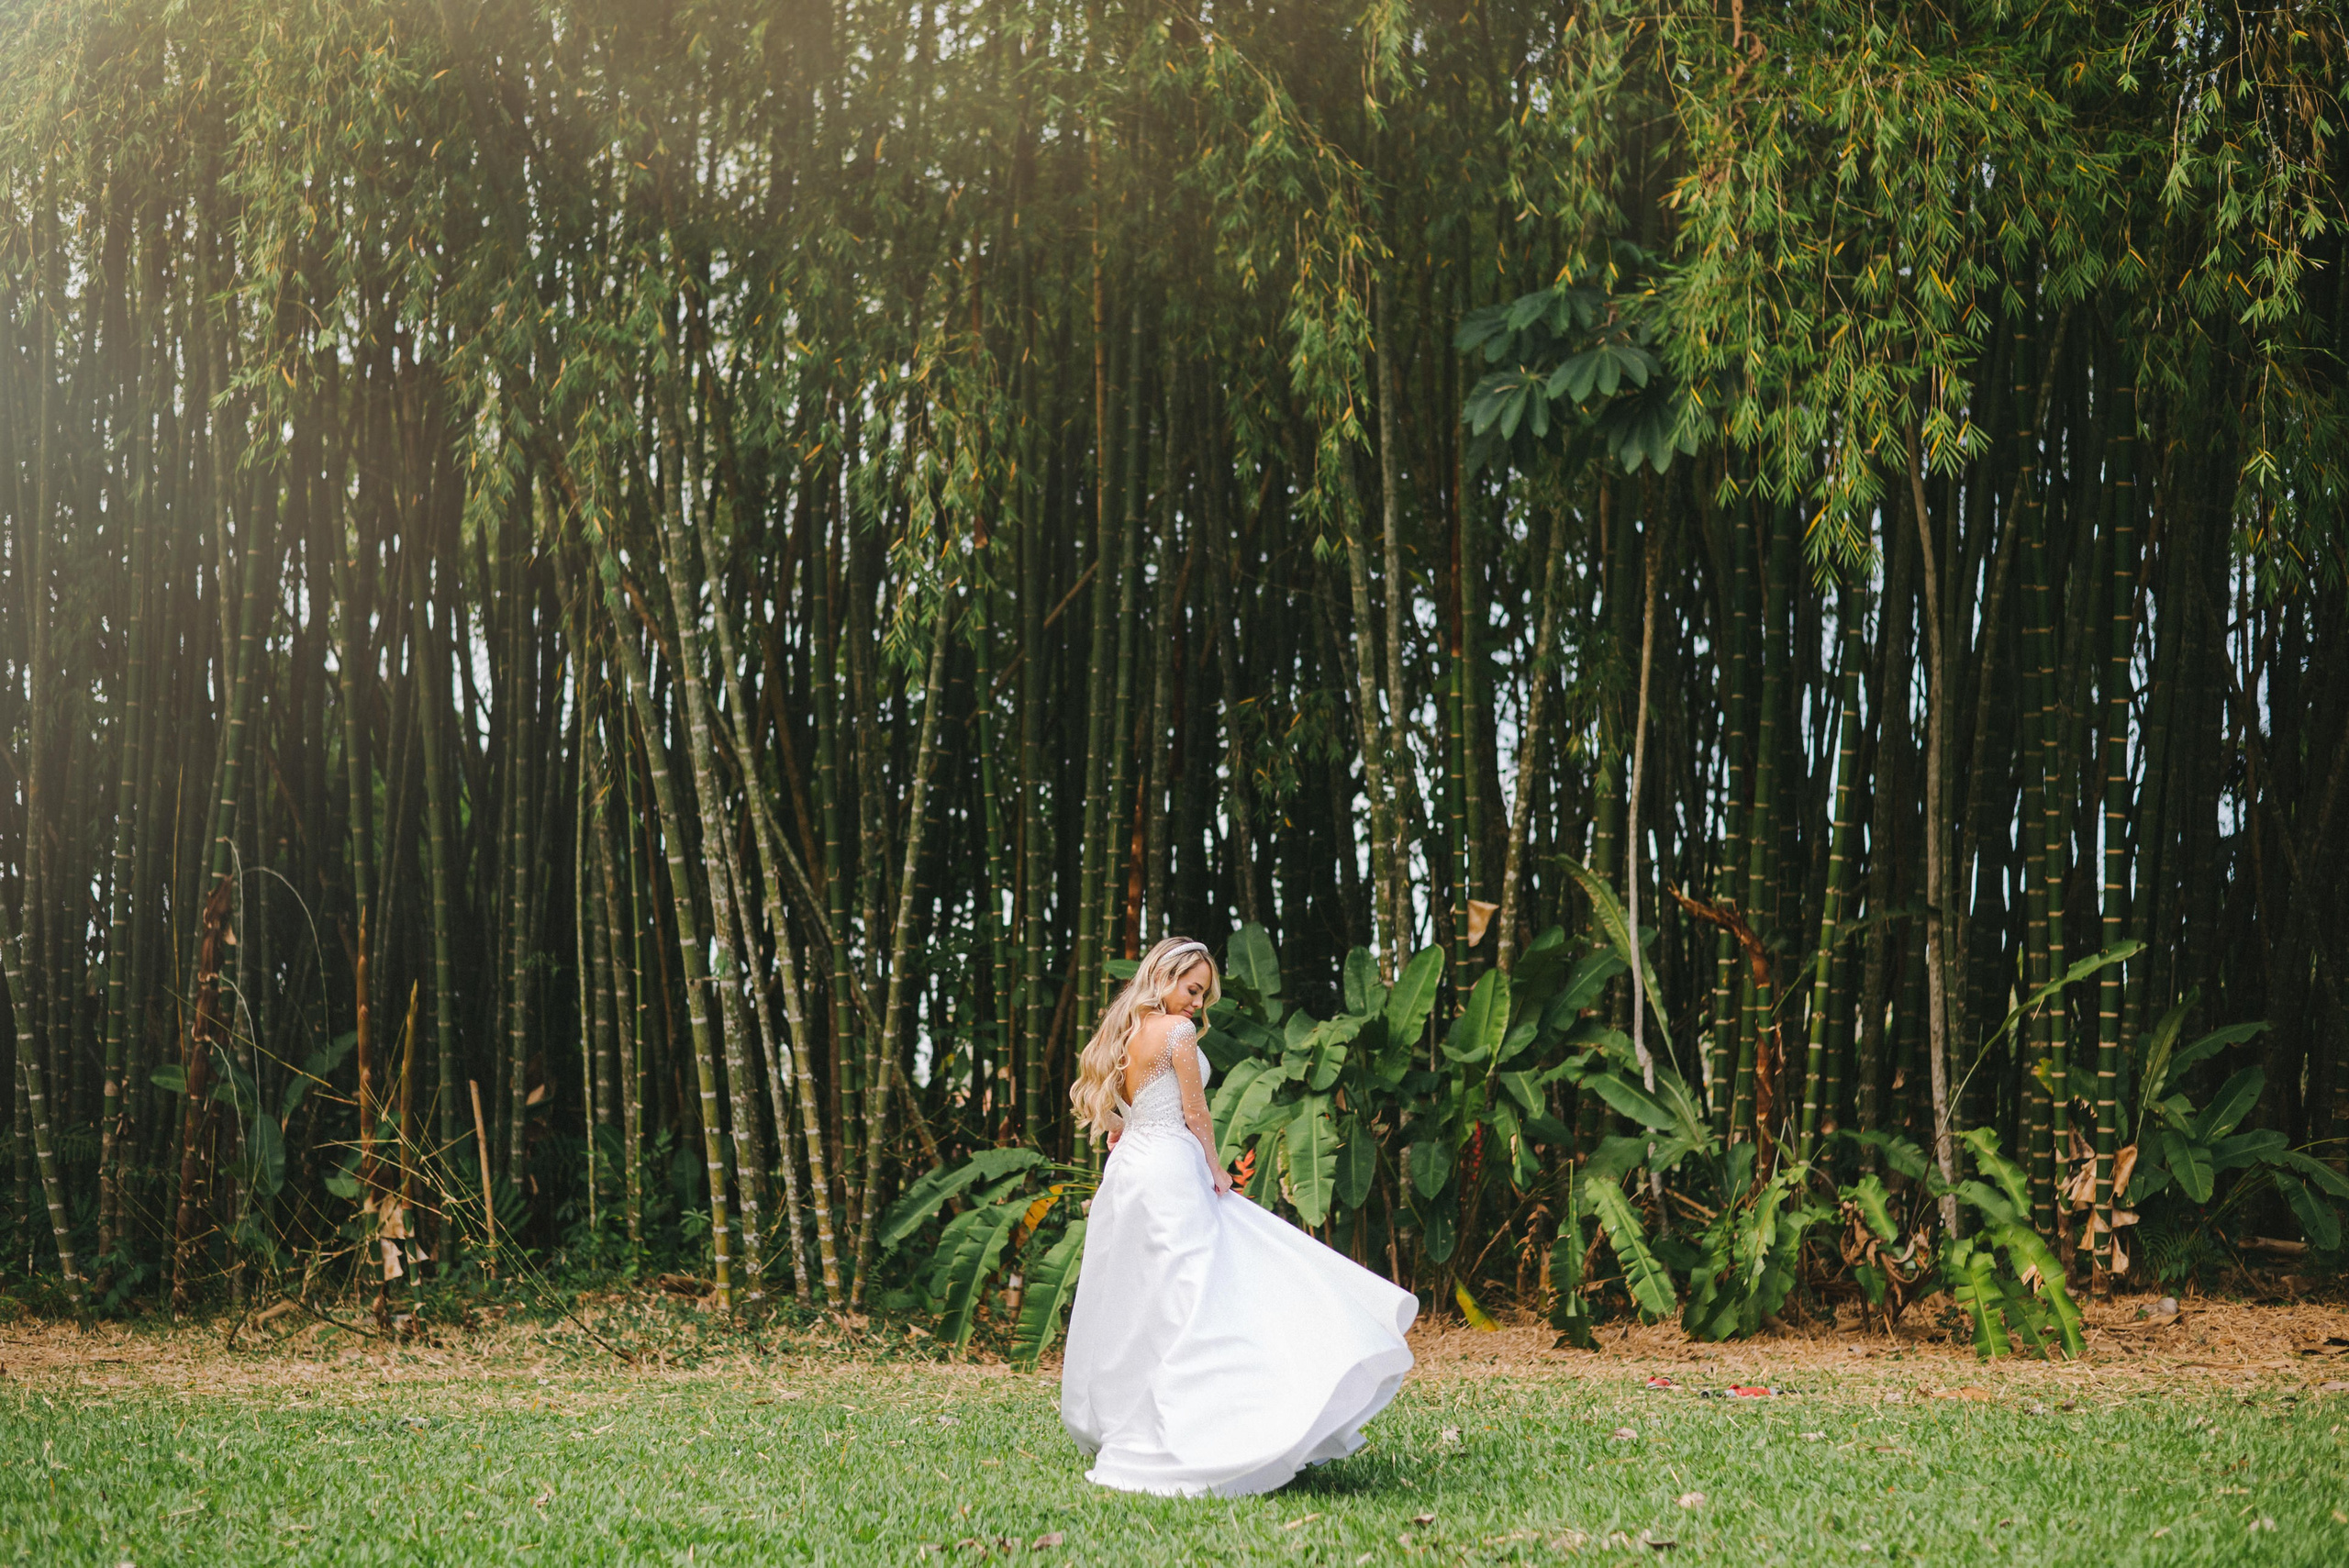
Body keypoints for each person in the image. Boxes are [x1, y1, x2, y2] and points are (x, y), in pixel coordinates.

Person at [1058, 936, 1418, 1497]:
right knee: (1195, 1298)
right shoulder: (1174, 1032)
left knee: (1144, 1302)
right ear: (1164, 976)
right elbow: (1196, 1113)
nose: (1197, 1005)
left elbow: (1119, 1114)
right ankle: (1207, 1427)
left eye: (1202, 994)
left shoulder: (1123, 1031)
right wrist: (1216, 1168)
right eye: (1192, 989)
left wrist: (1125, 1132)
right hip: (1171, 1167)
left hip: (1129, 1174)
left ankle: (1146, 1417)